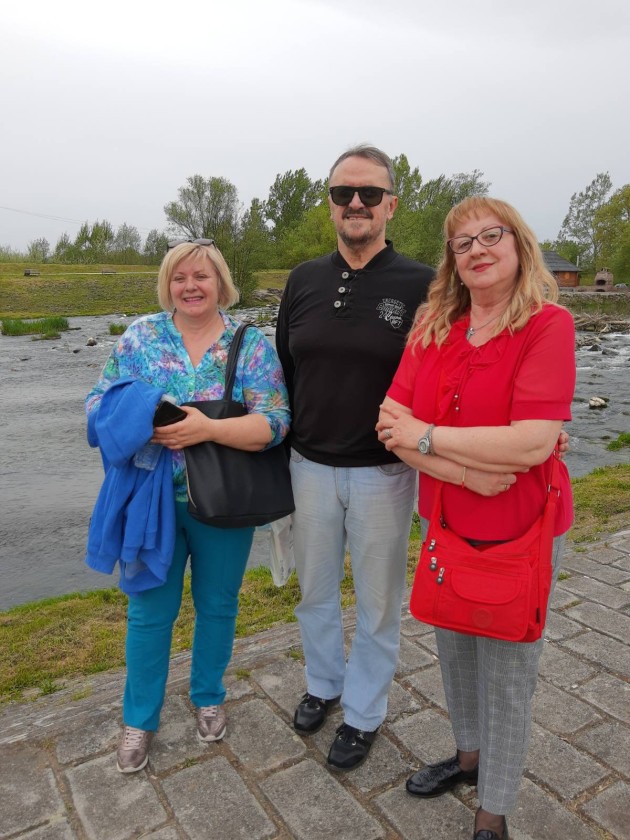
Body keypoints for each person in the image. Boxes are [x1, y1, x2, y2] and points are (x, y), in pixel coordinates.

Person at [376, 197, 576, 840]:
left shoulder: (548, 325)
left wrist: (427, 436)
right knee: (454, 650)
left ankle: (495, 809)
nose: (478, 249)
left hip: (523, 526)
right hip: (446, 518)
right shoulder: (433, 322)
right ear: (452, 260)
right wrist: (465, 471)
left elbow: (531, 444)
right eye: (463, 243)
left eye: (491, 235)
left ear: (518, 244)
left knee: (509, 672)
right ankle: (467, 758)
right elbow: (388, 425)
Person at [85, 239, 290, 774]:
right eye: (180, 278)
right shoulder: (141, 338)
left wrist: (209, 428)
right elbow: (96, 406)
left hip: (225, 501)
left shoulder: (249, 346)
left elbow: (276, 421)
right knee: (150, 612)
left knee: (218, 606)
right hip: (149, 501)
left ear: (221, 282)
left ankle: (208, 695)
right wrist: (140, 422)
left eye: (202, 276)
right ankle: (139, 720)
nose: (191, 286)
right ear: (167, 285)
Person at [275, 145, 434, 771]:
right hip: (307, 465)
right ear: (332, 205)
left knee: (377, 601)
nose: (357, 204)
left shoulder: (422, 282)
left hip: (385, 472)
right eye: (344, 194)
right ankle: (324, 683)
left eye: (370, 193)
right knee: (314, 592)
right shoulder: (303, 280)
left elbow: (447, 372)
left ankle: (365, 711)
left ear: (391, 204)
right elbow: (284, 370)